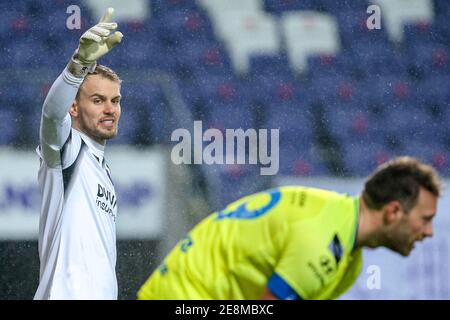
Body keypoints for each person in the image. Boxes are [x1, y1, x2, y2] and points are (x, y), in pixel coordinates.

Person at [137, 156, 441, 300]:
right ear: (393, 211)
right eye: (425, 219)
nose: (428, 232)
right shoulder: (324, 242)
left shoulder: (346, 250)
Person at [34, 8, 123, 299]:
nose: (110, 109)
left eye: (115, 100)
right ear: (74, 108)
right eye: (98, 100)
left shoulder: (104, 171)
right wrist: (79, 64)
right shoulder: (68, 149)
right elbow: (50, 114)